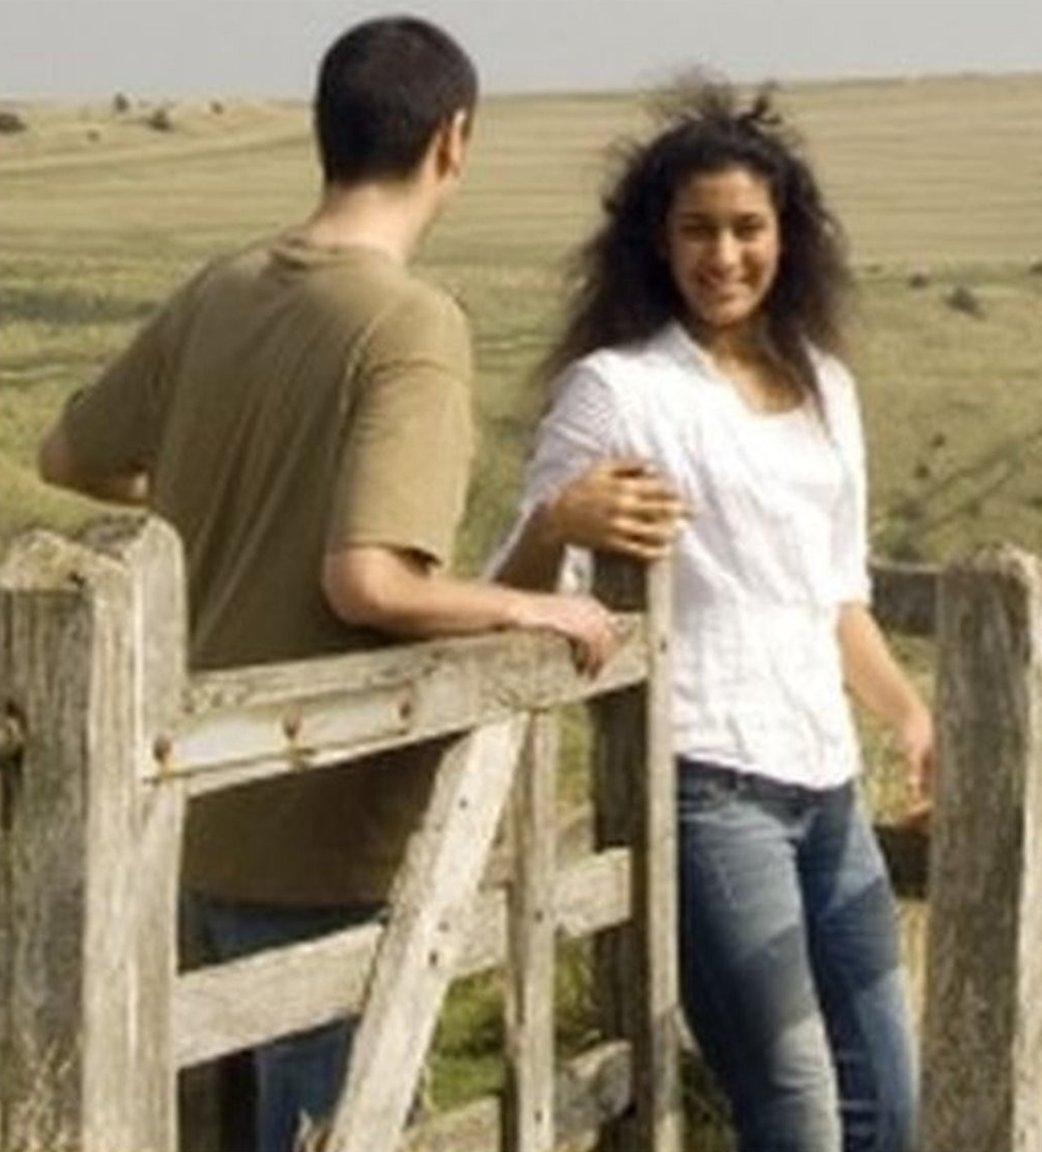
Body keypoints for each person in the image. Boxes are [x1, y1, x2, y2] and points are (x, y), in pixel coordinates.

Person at [36, 16, 616, 1152]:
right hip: (319, 827)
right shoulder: (409, 323)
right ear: (454, 141)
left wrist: (201, 486)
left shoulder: (223, 287)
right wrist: (534, 602)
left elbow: (68, 458)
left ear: (324, 131)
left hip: (190, 816)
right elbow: (371, 582)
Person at [492, 80, 927, 1152]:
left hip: (827, 783)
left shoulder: (824, 385)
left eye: (747, 228)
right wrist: (562, 520)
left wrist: (908, 716)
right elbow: (510, 584)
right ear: (656, 240)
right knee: (797, 1109)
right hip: (706, 783)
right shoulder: (616, 390)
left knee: (888, 1098)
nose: (723, 256)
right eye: (697, 229)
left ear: (788, 235)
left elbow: (835, 592)